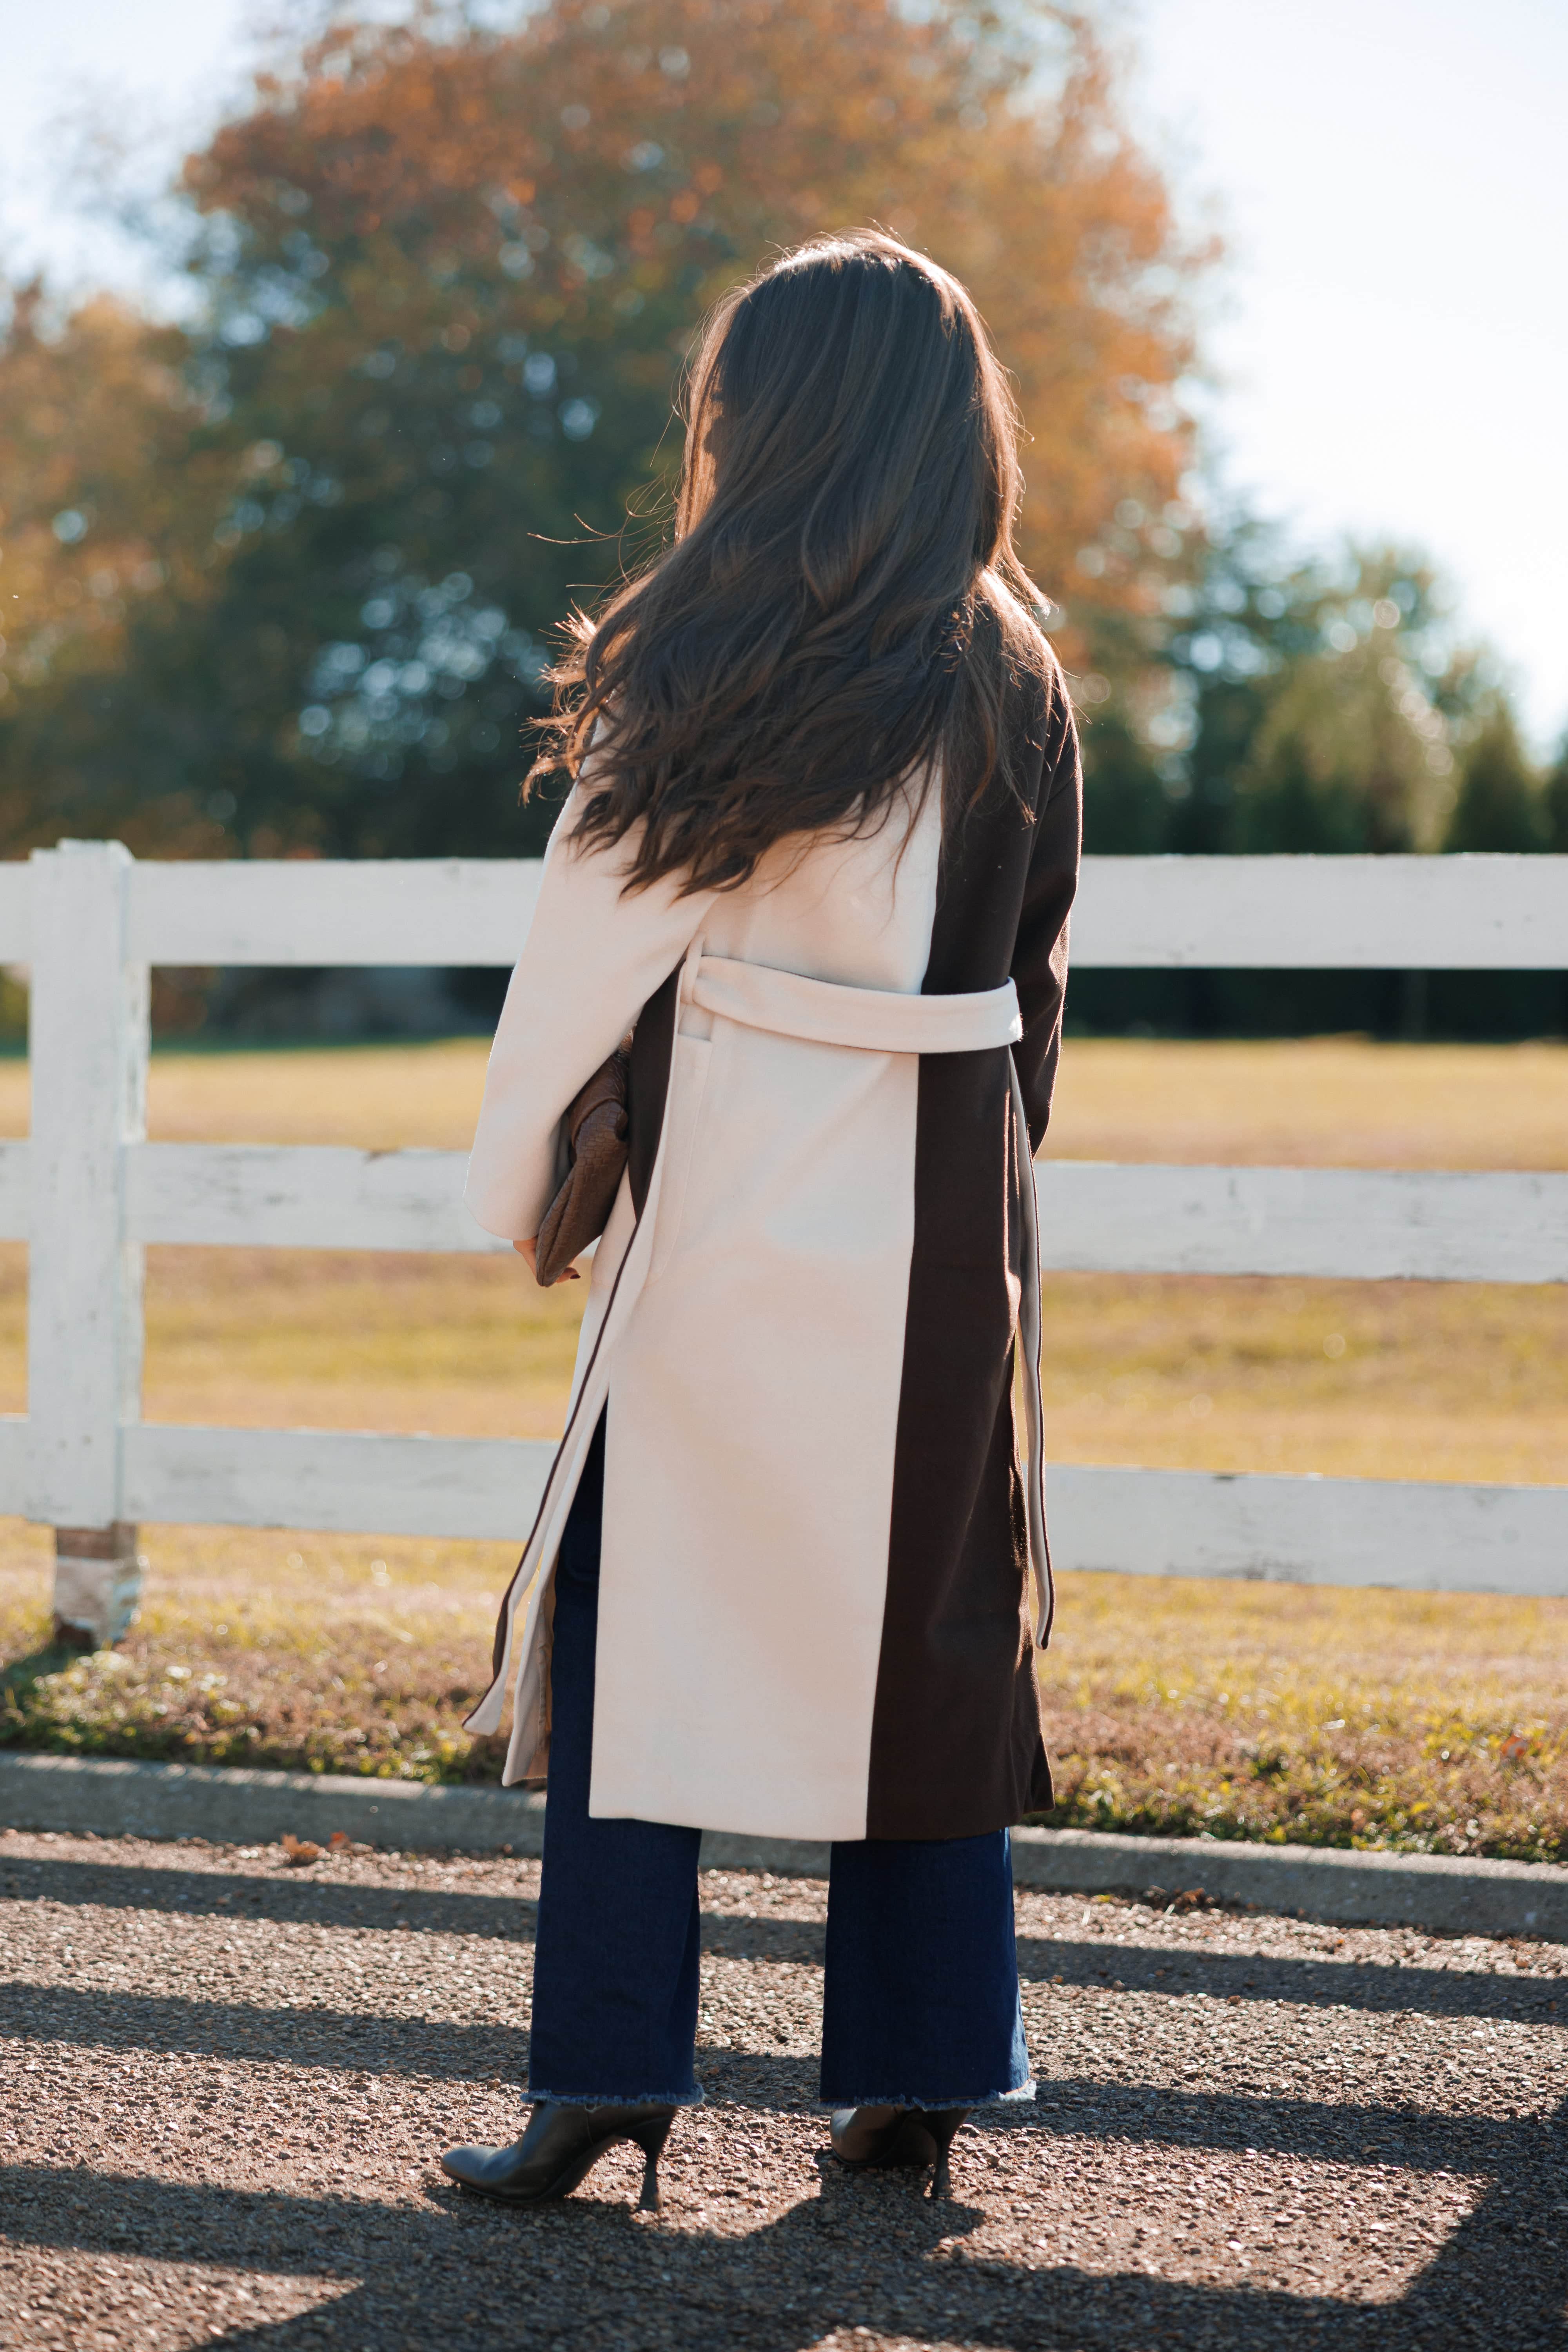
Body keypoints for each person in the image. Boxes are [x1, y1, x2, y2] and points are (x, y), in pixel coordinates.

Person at [441, 229, 1081, 2212]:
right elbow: (1037, 974)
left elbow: (588, 943)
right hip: (938, 1231)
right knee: (930, 1640)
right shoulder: (1011, 665)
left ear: (765, 414)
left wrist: (524, 1169)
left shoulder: (704, 645)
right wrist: (976, 1174)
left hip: (728, 1212)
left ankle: (606, 2073)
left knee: (642, 1633)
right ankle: (917, 2072)